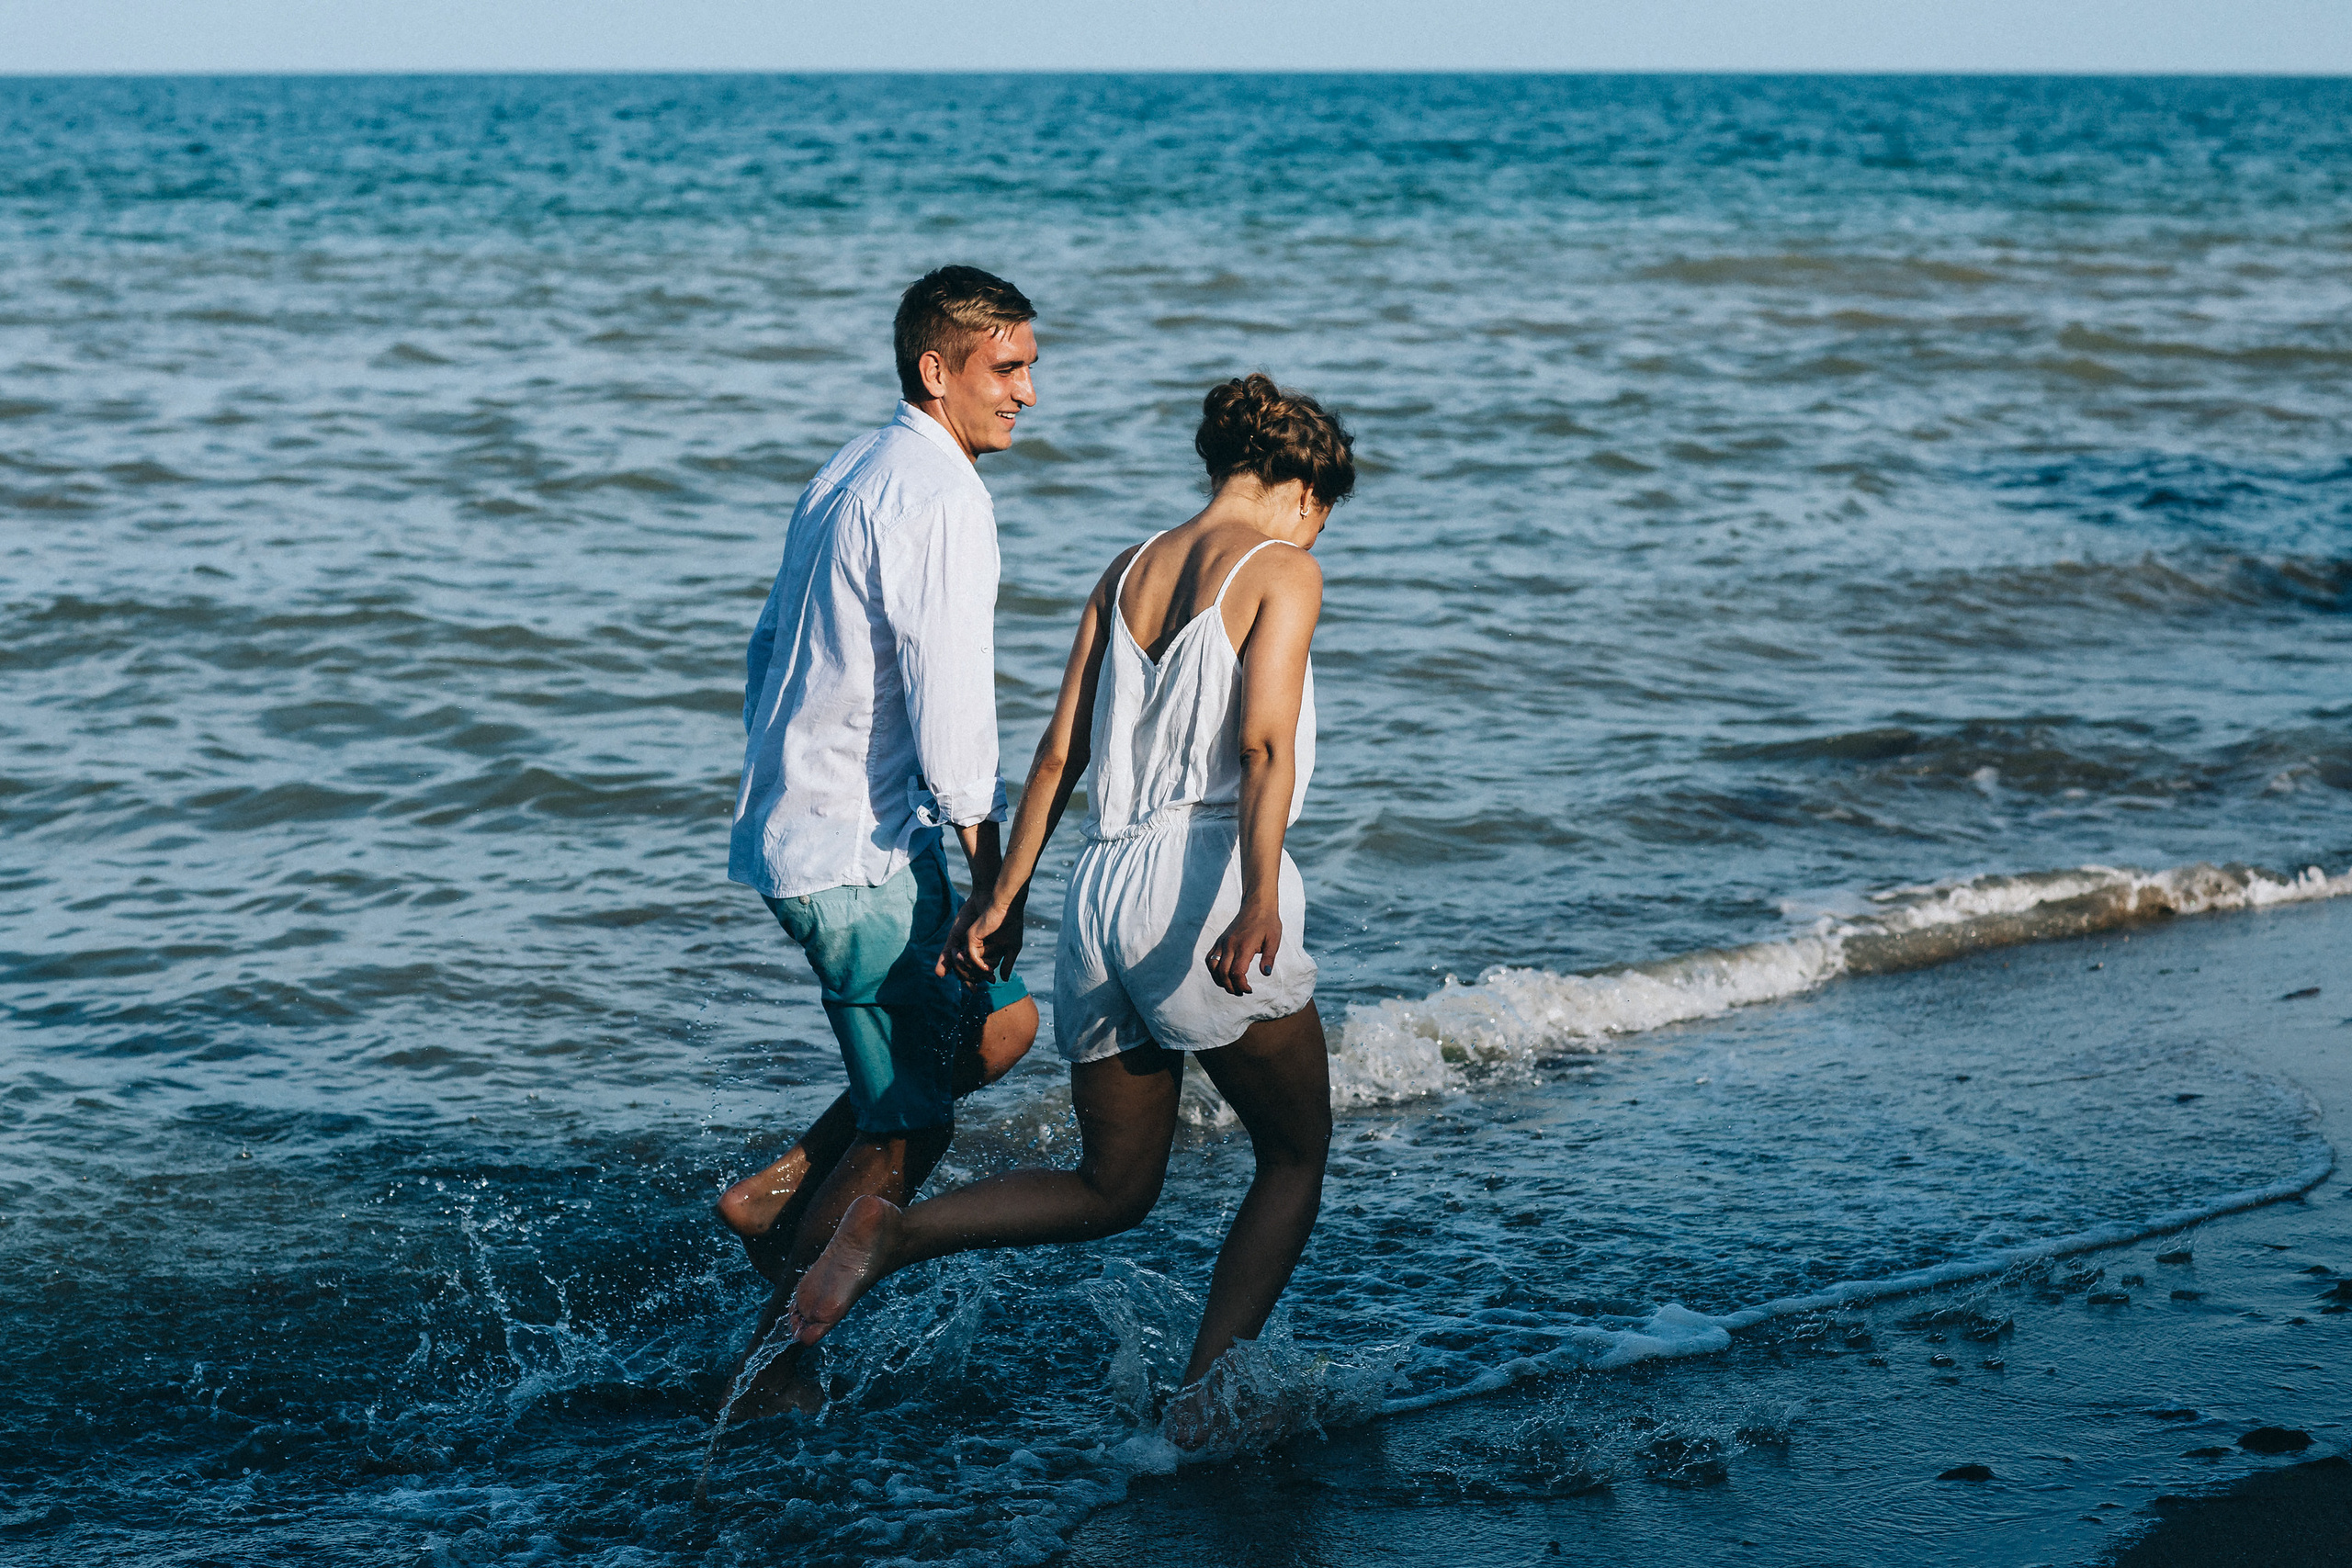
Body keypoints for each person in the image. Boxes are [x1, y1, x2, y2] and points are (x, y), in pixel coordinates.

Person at [785, 372, 1353, 1437]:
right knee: (1295, 1154)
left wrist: (1002, 900)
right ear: (1300, 490)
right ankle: (1201, 1404)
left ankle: (895, 1233)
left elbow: (1056, 757)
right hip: (1203, 878)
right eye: (1325, 517)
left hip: (1099, 894)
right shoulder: (1282, 569)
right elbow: (1263, 744)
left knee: (1111, 1187)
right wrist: (1261, 896)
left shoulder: (1126, 567)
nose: (1321, 539)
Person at [714, 265, 1044, 1403]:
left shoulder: (854, 463)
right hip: (851, 858)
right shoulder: (942, 497)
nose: (1027, 395)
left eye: (1030, 369)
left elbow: (765, 648)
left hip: (813, 833)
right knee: (916, 1120)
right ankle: (774, 1359)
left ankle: (778, 1200)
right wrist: (991, 881)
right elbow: (955, 705)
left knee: (996, 1033)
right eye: (1006, 370)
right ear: (935, 370)